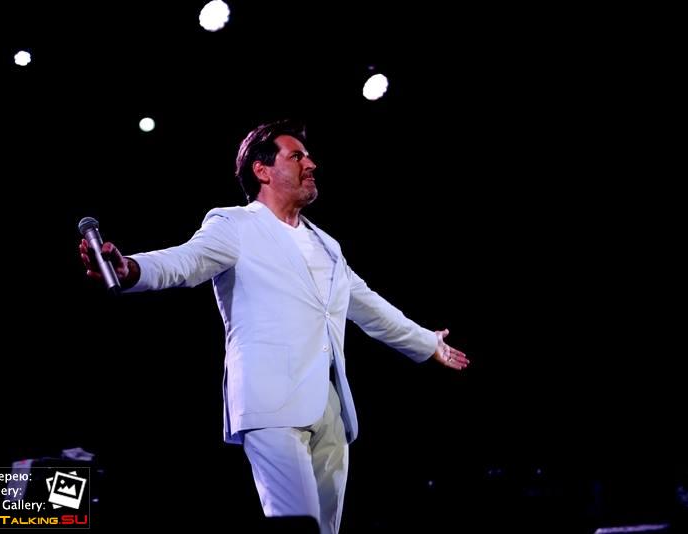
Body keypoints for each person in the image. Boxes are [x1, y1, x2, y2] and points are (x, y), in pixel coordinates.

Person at [79, 119, 469, 533]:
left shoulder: (327, 245)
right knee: (297, 524)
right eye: (297, 156)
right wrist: (131, 269)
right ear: (262, 170)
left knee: (326, 529)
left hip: (330, 407)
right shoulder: (235, 225)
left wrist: (427, 343)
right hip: (271, 402)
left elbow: (370, 306)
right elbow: (185, 262)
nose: (311, 164)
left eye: (308, 156)